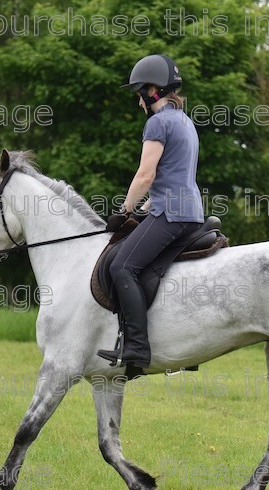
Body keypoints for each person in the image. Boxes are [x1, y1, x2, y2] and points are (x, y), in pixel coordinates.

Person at [97, 54, 205, 369]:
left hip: (171, 214)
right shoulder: (185, 121)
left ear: (153, 90)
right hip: (189, 213)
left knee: (121, 268)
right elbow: (174, 176)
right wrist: (144, 208)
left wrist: (124, 209)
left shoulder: (157, 123)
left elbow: (146, 175)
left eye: (139, 93)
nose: (138, 102)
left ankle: (137, 350)